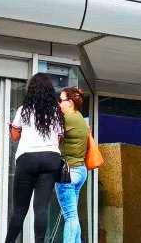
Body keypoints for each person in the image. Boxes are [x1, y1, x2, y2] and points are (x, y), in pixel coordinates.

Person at [5, 73, 65, 243]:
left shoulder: (23, 110)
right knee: (41, 208)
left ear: (31, 90)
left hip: (27, 159)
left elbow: (15, 136)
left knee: (19, 209)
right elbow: (60, 137)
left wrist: (12, 128)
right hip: (51, 159)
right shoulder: (56, 112)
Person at [55, 87, 89, 243]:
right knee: (73, 216)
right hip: (80, 171)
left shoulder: (67, 119)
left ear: (70, 102)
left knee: (70, 216)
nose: (59, 103)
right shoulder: (80, 117)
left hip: (68, 173)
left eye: (61, 100)